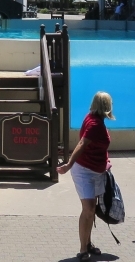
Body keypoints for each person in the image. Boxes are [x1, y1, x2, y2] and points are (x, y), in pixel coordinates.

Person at [57, 91, 113, 261]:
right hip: (84, 171)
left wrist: (105, 161)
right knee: (88, 209)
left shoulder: (93, 118)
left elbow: (96, 145)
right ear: (106, 106)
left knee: (91, 209)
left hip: (97, 170)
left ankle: (88, 243)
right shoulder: (95, 124)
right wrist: (68, 165)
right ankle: (83, 249)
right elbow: (82, 144)